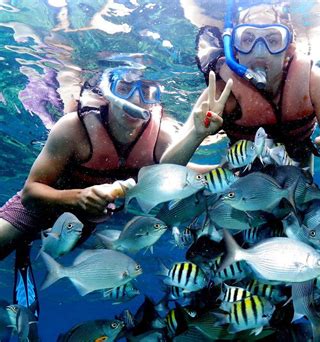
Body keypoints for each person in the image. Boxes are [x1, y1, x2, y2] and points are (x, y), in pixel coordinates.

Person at [0, 65, 232, 314]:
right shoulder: (73, 128)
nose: (134, 99)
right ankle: (24, 245)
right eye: (124, 87)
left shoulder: (160, 136)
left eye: (146, 91)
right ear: (106, 91)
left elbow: (170, 174)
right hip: (39, 207)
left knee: (49, 248)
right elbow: (31, 192)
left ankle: (27, 249)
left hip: (82, 225)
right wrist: (78, 197)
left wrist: (206, 144)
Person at [185, 3, 320, 174]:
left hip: (299, 182)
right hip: (243, 184)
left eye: (273, 40)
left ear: (289, 50)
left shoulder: (314, 81)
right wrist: (197, 136)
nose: (260, 52)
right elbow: (169, 162)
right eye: (248, 39)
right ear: (235, 49)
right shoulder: (222, 92)